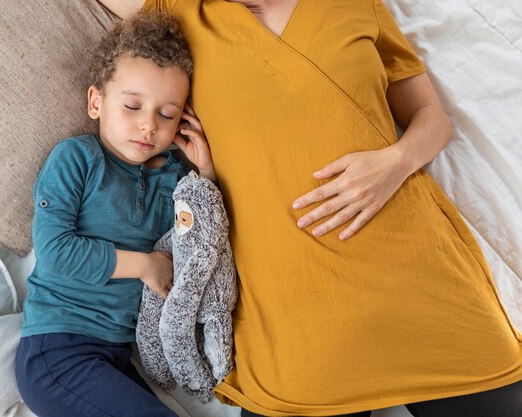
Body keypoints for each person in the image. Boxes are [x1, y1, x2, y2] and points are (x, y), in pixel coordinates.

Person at [98, 1, 522, 417]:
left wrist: (394, 164)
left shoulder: (357, 6)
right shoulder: (183, 11)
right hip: (298, 325)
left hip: (423, 283)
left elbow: (433, 117)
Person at [14, 10, 217, 417]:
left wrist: (206, 173)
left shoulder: (175, 177)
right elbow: (56, 252)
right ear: (96, 101)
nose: (148, 126)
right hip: (58, 350)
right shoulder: (77, 159)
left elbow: (200, 239)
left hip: (118, 355)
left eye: (166, 114)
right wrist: (144, 265)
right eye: (132, 106)